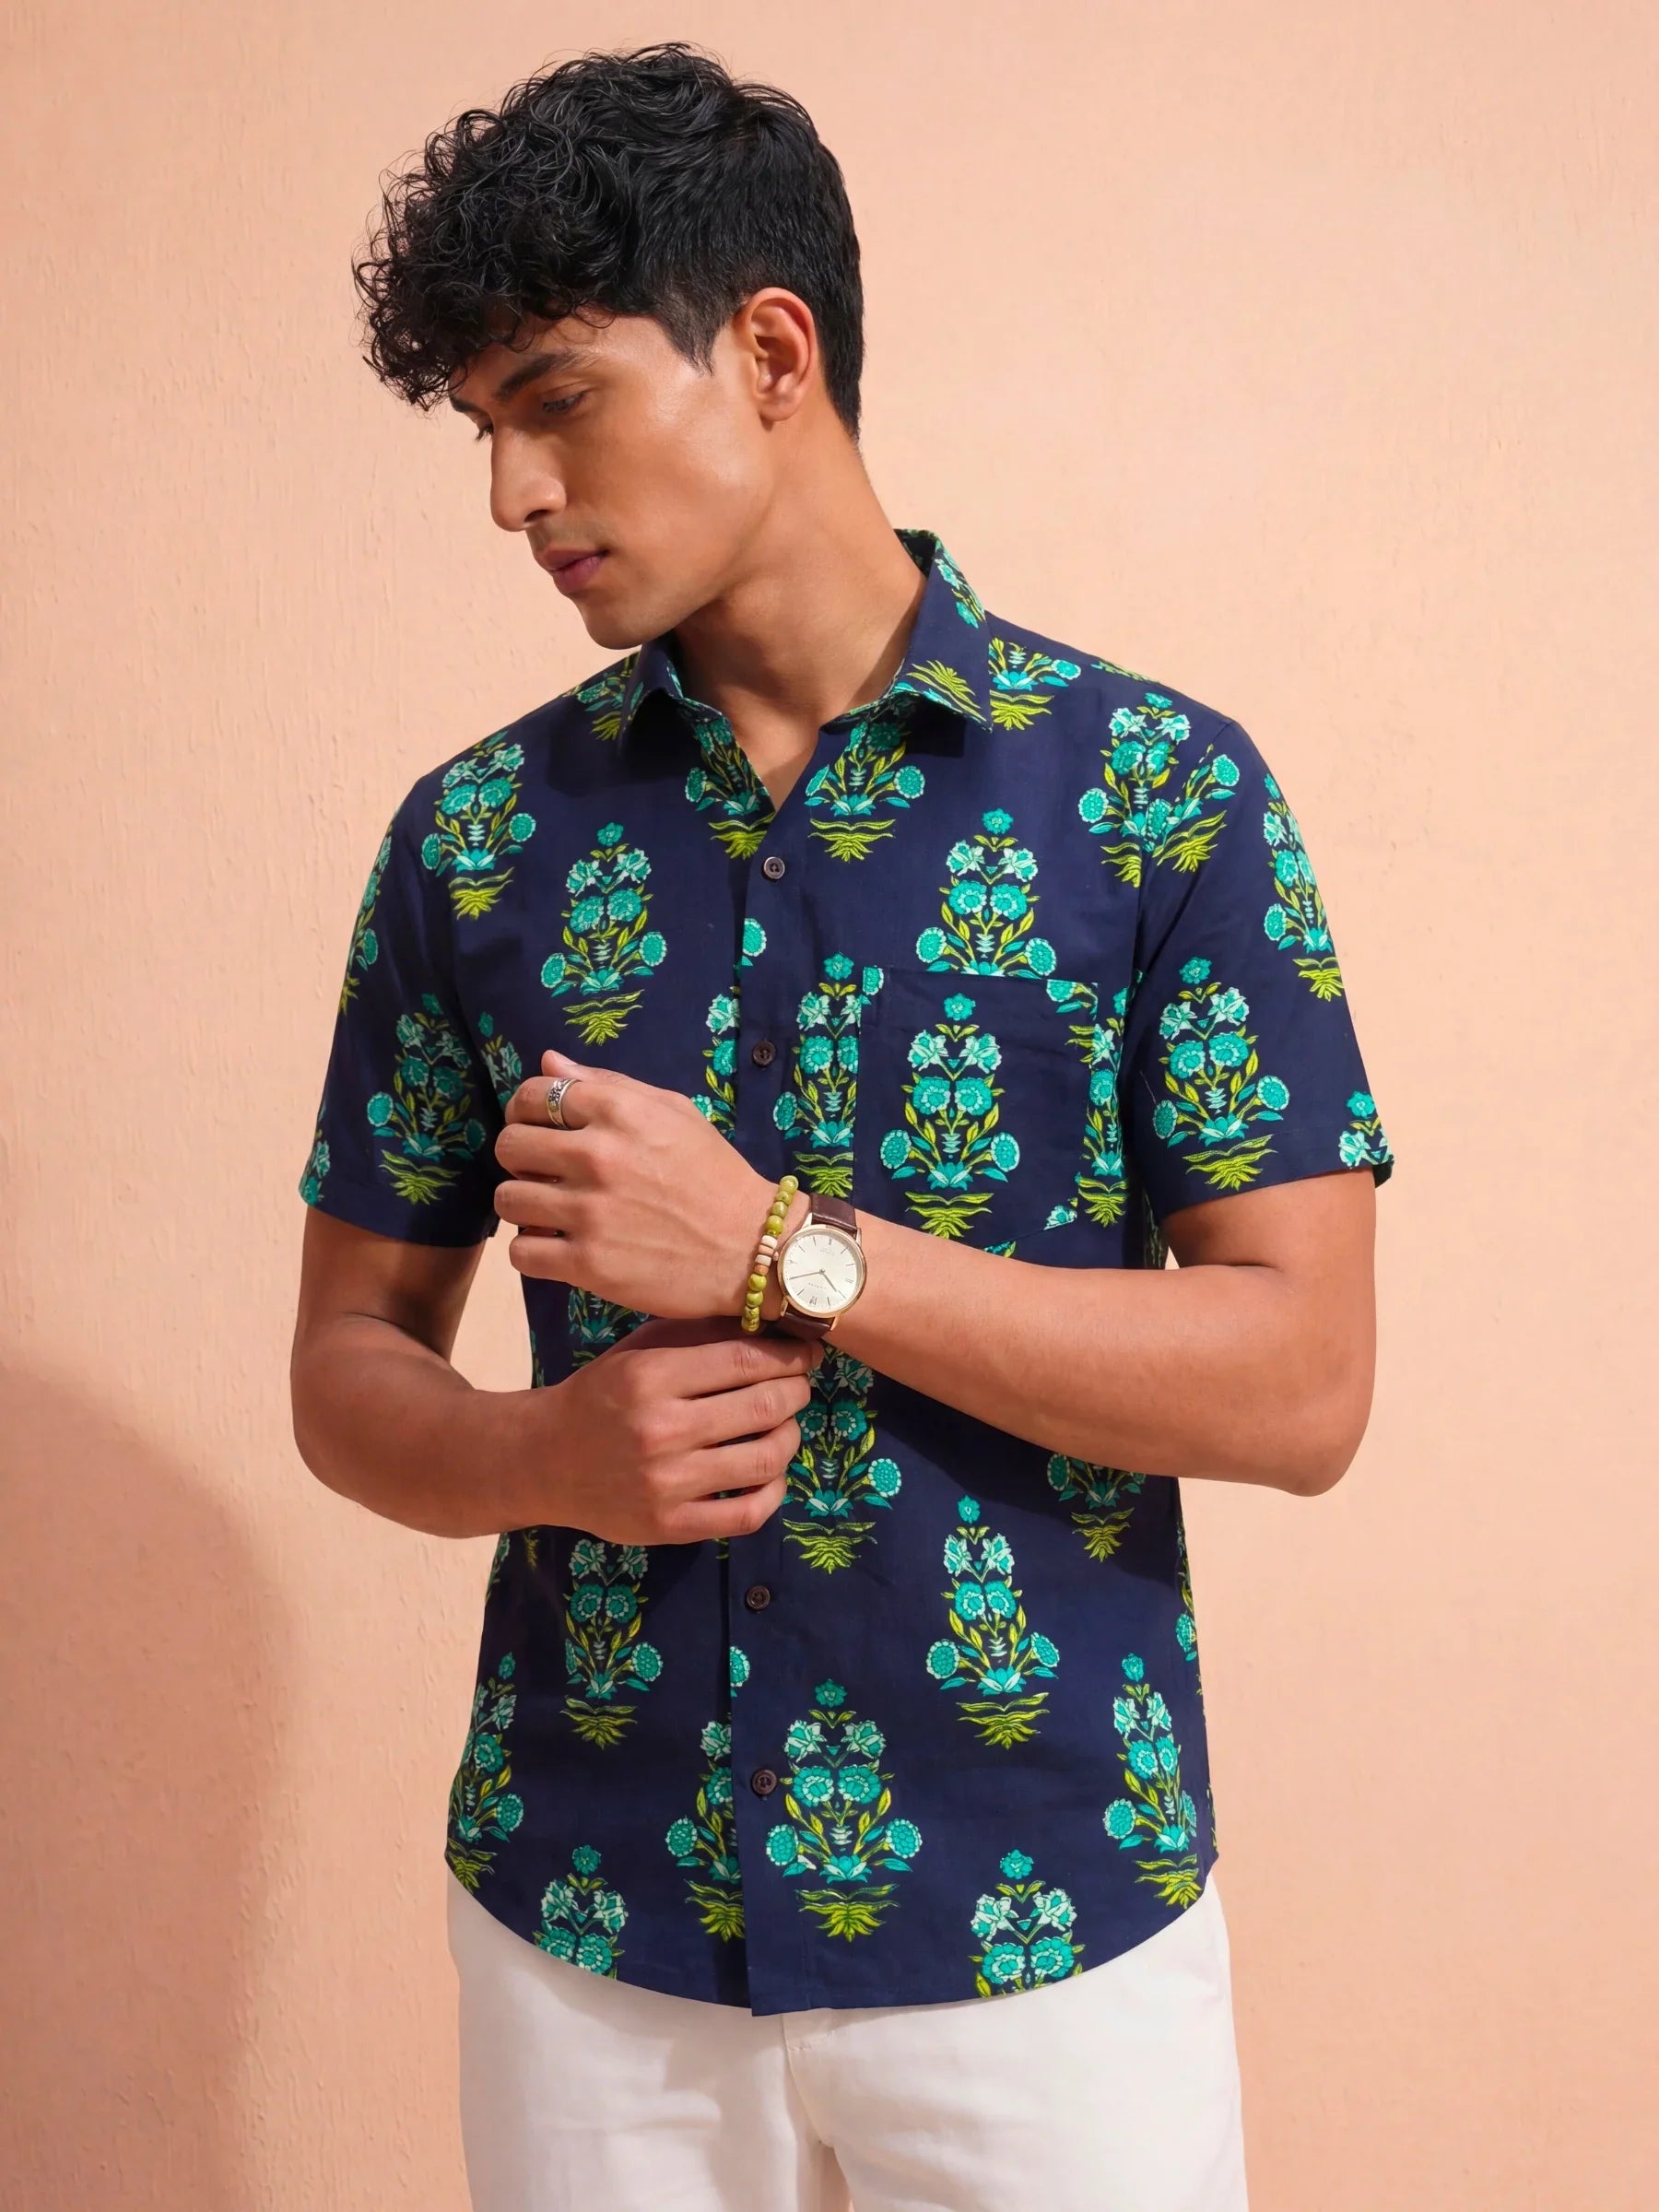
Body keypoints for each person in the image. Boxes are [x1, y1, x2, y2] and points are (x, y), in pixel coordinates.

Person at [289, 39, 1393, 2212]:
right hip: (590, 1940)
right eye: (483, 423)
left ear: (772, 353)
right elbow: (344, 1369)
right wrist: (541, 1458)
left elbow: (1304, 1381)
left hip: (1045, 1935)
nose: (510, 491)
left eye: (556, 399)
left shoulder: (1160, 797)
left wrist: (785, 1250)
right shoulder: (477, 842)